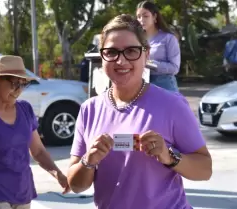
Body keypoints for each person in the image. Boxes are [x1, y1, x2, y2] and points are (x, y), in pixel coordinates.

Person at [67, 14, 212, 209]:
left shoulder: (171, 105)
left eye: (131, 51)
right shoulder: (89, 110)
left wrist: (169, 156)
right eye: (111, 52)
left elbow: (205, 169)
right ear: (102, 57)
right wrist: (88, 160)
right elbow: (75, 185)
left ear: (146, 54)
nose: (121, 61)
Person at [0, 55, 70, 209]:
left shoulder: (25, 109)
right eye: (14, 84)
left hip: (22, 192)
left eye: (23, 84)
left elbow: (38, 151)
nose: (18, 90)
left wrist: (57, 174)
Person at [136, 0, 181, 92]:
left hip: (165, 87)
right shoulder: (137, 39)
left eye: (145, 16)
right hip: (142, 87)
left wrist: (150, 64)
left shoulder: (169, 38)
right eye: (139, 17)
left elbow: (174, 68)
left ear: (154, 16)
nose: (141, 20)